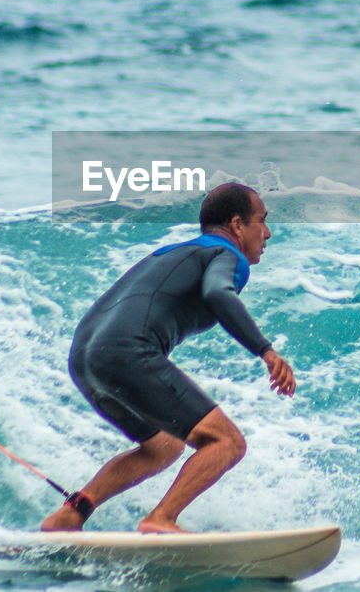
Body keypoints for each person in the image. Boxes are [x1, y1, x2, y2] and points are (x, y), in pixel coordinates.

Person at [41, 182, 295, 534]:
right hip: (128, 351)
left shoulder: (172, 253)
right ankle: (161, 519)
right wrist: (264, 349)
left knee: (164, 446)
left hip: (85, 357)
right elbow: (218, 294)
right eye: (261, 221)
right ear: (237, 225)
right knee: (227, 442)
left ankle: (73, 512)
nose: (267, 233)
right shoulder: (227, 255)